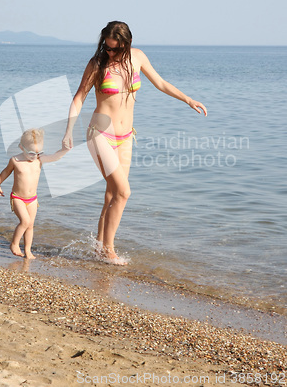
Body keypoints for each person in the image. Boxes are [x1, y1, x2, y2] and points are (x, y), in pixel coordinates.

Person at [62, 21, 207, 265]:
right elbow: (79, 97)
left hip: (126, 136)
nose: (110, 53)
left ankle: (99, 247)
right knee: (124, 192)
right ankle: (109, 250)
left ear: (127, 45)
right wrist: (68, 130)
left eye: (116, 49)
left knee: (111, 195)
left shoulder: (137, 58)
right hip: (99, 134)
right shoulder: (98, 64)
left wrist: (187, 99)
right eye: (107, 48)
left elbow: (160, 83)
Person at [0, 128, 69, 259]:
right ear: (21, 147)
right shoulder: (16, 160)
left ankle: (28, 251)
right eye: (31, 153)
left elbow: (55, 157)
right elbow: (6, 171)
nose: (35, 156)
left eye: (39, 152)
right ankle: (14, 244)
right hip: (18, 197)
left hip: (33, 199)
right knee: (25, 221)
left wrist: (64, 150)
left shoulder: (39, 159)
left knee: (30, 225)